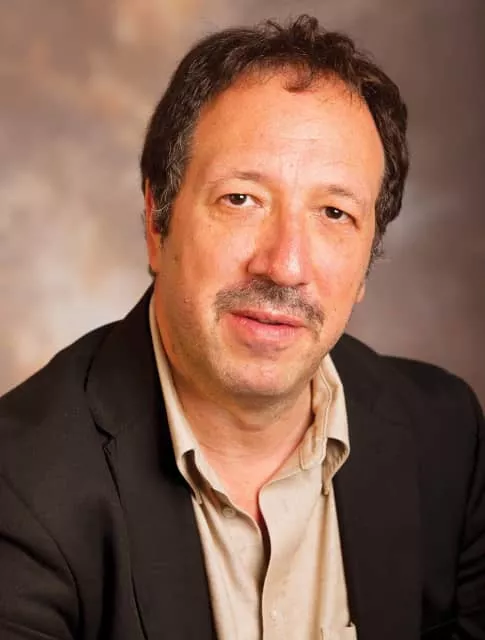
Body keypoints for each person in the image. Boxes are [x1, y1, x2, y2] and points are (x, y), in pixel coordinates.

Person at [0, 14, 484, 640]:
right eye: (241, 199)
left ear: (368, 259)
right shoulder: (19, 486)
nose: (285, 265)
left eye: (334, 212)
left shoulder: (446, 438)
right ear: (157, 221)